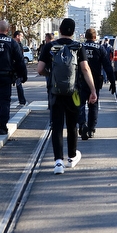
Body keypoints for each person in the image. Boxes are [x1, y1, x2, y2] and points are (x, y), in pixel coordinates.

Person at [37, 18, 97, 175]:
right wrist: (93, 90)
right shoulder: (78, 47)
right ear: (73, 31)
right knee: (72, 125)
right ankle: (71, 157)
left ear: (61, 30)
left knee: (56, 126)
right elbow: (85, 69)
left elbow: (40, 69)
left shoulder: (50, 46)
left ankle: (58, 162)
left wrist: (51, 76)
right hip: (74, 92)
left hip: (55, 92)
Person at [78, 28, 116, 139]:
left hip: (81, 80)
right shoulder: (100, 48)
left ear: (85, 36)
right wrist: (112, 81)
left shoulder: (80, 47)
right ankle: (91, 129)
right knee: (93, 105)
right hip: (95, 81)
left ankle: (82, 124)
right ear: (95, 37)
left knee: (79, 105)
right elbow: (108, 66)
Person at [12, 30, 29, 106]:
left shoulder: (18, 44)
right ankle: (22, 100)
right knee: (18, 85)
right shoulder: (14, 44)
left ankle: (22, 100)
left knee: (18, 84)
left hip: (16, 67)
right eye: (21, 36)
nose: (22, 38)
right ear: (17, 36)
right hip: (14, 67)